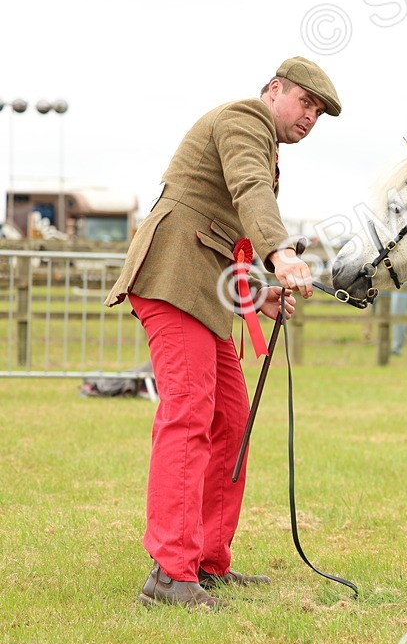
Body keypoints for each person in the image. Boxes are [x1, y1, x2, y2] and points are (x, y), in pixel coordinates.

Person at [104, 56, 342, 610]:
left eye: (319, 113)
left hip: (202, 291)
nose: (310, 117)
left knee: (230, 419)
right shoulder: (244, 119)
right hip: (172, 281)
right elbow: (249, 188)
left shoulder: (267, 143)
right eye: (305, 102)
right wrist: (281, 252)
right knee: (188, 416)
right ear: (274, 89)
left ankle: (207, 562)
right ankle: (170, 572)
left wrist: (259, 293)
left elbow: (219, 235)